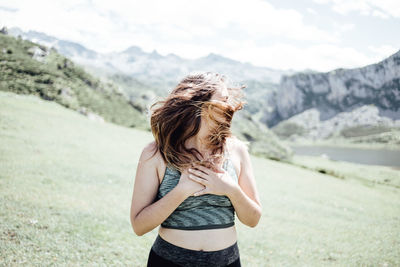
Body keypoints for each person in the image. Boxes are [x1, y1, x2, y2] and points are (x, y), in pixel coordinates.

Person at [130, 72, 262, 267]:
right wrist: (181, 191)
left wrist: (230, 190)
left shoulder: (237, 150)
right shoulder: (156, 152)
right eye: (224, 100)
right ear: (200, 105)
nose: (231, 106)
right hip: (168, 262)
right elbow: (139, 225)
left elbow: (253, 219)